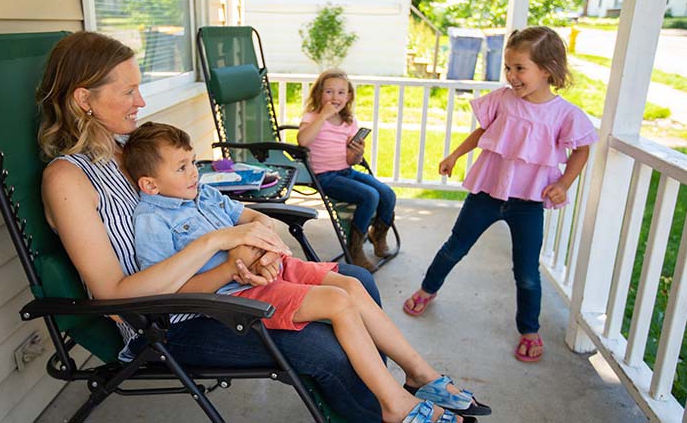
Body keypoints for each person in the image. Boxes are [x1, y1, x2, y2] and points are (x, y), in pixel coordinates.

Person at [35, 31, 483, 422]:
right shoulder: (69, 177)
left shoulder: (137, 147)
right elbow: (112, 292)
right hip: (173, 319)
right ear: (83, 98)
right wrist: (225, 248)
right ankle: (383, 411)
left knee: (356, 278)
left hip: (220, 282)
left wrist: (260, 243)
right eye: (129, 91)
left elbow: (213, 207)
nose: (142, 101)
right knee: (325, 347)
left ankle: (400, 387)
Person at [122, 122, 492, 423]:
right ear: (150, 184)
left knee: (350, 283)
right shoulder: (153, 221)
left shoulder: (203, 194)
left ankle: (419, 374)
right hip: (236, 294)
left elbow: (251, 217)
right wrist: (237, 262)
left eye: (192, 162)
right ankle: (395, 403)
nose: (193, 173)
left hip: (270, 267)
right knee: (337, 302)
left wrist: (265, 247)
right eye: (182, 167)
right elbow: (175, 291)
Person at [402, 26, 599, 363]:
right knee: (454, 248)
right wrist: (455, 155)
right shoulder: (503, 99)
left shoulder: (564, 114)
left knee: (525, 270)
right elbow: (482, 132)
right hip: (487, 194)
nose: (511, 75)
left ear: (547, 69)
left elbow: (582, 149)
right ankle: (427, 289)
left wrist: (564, 183)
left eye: (519, 68)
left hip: (529, 203)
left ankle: (529, 328)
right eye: (508, 67)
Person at [297, 69, 397, 272]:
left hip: (345, 171)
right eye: (329, 92)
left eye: (341, 92)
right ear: (319, 94)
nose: (335, 97)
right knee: (370, 196)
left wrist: (357, 153)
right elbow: (302, 141)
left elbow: (351, 160)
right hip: (324, 176)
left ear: (349, 96)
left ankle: (378, 235)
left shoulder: (349, 122)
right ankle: (355, 248)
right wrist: (323, 116)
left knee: (387, 193)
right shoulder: (312, 117)